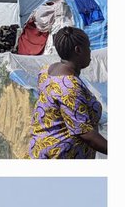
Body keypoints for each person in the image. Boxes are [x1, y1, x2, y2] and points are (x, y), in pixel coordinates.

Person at [28, 26, 107, 158]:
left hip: (43, 146)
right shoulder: (69, 87)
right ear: (78, 50)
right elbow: (85, 133)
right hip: (59, 155)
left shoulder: (47, 71)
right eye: (88, 47)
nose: (90, 52)